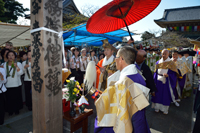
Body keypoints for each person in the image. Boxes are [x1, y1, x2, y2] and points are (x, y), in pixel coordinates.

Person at [94, 46, 150, 133]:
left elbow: (109, 110)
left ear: (121, 59)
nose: (115, 59)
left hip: (123, 123)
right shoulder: (138, 75)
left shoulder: (123, 83)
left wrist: (101, 99)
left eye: (116, 57)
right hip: (137, 122)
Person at [151, 49, 179, 114]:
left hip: (166, 82)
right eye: (162, 54)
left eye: (165, 54)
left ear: (168, 54)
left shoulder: (171, 63)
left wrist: (168, 75)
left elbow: (174, 74)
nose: (163, 55)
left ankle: (165, 109)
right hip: (158, 81)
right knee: (157, 94)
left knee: (165, 95)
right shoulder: (158, 62)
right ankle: (157, 108)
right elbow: (155, 72)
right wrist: (154, 80)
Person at [4, 51, 23, 115]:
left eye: (12, 55)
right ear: (7, 56)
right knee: (9, 99)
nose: (11, 57)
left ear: (15, 56)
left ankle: (16, 110)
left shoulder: (18, 64)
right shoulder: (4, 65)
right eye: (9, 55)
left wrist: (16, 67)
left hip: (16, 84)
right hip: (8, 84)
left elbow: (20, 73)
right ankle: (10, 110)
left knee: (16, 98)